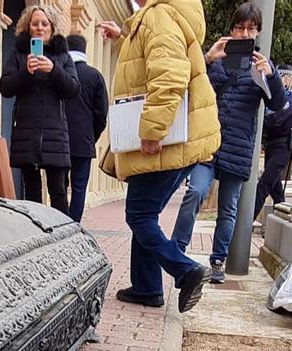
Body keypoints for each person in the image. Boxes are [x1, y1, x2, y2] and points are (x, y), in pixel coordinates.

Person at [96, 0, 221, 313]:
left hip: (164, 141)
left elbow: (169, 75)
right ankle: (147, 287)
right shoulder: (163, 15)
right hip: (177, 140)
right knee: (145, 214)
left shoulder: (159, 14)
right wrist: (122, 38)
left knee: (138, 215)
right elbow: (151, 57)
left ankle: (185, 270)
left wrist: (152, 131)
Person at [169, 2, 284, 284]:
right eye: (239, 27)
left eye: (250, 28)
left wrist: (272, 76)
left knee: (228, 209)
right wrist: (207, 60)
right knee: (194, 192)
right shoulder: (217, 60)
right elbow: (194, 91)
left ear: (257, 32)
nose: (244, 33)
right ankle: (176, 252)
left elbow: (277, 104)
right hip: (209, 143)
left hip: (239, 147)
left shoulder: (263, 66)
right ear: (232, 29)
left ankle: (217, 260)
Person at [0, 5, 81, 215]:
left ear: (52, 28)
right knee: (32, 193)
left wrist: (54, 70)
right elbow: (5, 87)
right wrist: (26, 72)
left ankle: (63, 235)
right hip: (27, 133)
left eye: (44, 24)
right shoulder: (19, 54)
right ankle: (35, 234)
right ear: (28, 27)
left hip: (55, 135)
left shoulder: (63, 57)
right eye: (35, 24)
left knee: (58, 191)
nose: (39, 28)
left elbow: (73, 89)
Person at [64, 34, 108, 223]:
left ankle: (59, 225)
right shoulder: (95, 76)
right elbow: (101, 114)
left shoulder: (60, 73)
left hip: (59, 140)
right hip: (84, 141)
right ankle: (74, 225)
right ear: (84, 50)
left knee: (58, 186)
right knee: (79, 187)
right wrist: (92, 136)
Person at [254, 65, 292, 221]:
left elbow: (275, 119)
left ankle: (247, 222)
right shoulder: (273, 98)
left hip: (283, 146)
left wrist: (259, 121)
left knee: (264, 184)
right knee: (275, 188)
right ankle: (282, 219)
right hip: (272, 144)